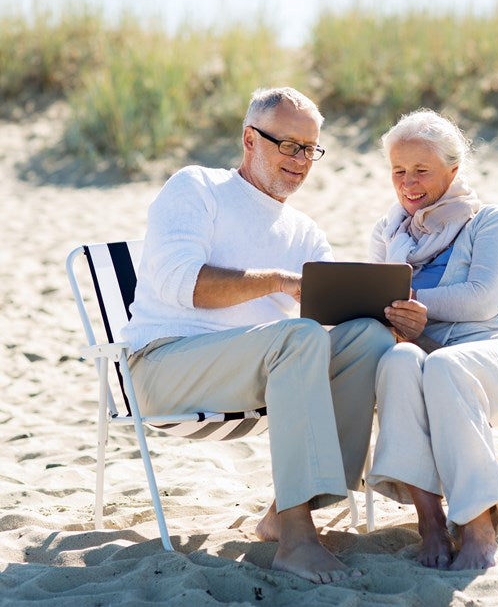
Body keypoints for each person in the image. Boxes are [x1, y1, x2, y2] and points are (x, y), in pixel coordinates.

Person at [121, 87, 395, 584]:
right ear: (250, 138)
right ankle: (296, 537)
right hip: (165, 366)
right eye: (287, 144)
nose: (300, 160)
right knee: (296, 336)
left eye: (310, 148)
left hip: (259, 370)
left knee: (368, 339)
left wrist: (389, 315)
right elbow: (183, 283)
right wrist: (276, 280)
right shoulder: (197, 188)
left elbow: (333, 314)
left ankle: (283, 509)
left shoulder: (304, 230)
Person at [366, 109, 498, 570]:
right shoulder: (388, 234)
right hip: (433, 357)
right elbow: (378, 303)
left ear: (453, 170)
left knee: (443, 366)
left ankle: (478, 527)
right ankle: (429, 521)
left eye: (421, 170)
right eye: (398, 171)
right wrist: (392, 317)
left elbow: (482, 300)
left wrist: (414, 306)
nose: (408, 182)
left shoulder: (489, 220)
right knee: (397, 363)